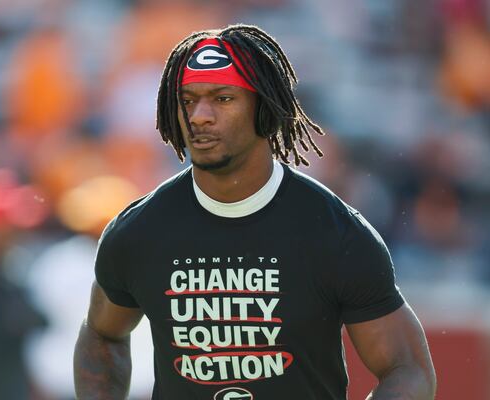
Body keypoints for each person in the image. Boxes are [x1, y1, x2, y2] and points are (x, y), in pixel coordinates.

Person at [74, 24, 436, 400]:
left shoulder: (336, 232)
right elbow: (102, 334)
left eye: (222, 99)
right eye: (188, 99)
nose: (199, 116)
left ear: (264, 107)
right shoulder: (138, 232)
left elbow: (406, 368)